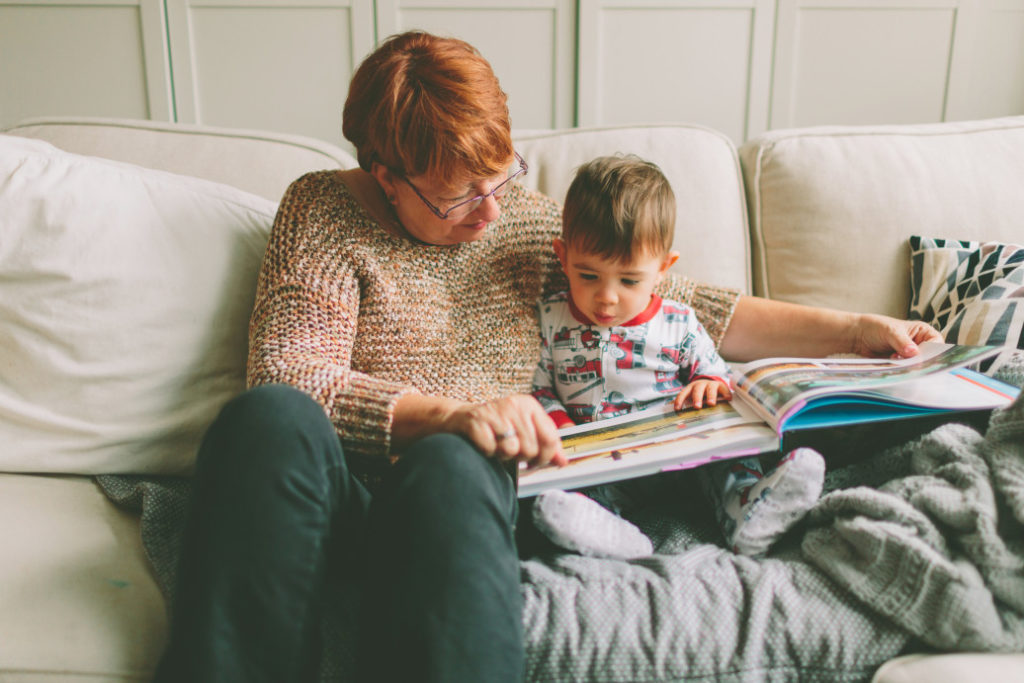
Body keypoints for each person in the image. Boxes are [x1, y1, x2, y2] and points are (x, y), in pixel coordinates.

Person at [152, 29, 942, 683]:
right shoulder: (321, 210)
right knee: (265, 417)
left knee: (456, 463)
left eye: (501, 175)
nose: (490, 209)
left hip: (465, 501)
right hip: (345, 498)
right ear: (383, 176)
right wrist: (450, 413)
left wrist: (857, 330)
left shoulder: (527, 224)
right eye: (458, 193)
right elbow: (297, 376)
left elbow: (677, 305)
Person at [529, 155, 825, 559]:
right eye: (588, 275)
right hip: (604, 463)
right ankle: (614, 537)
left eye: (630, 280)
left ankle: (749, 513)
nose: (607, 296)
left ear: (664, 269)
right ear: (562, 257)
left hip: (688, 458)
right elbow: (538, 388)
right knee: (565, 490)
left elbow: (716, 371)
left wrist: (708, 384)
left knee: (733, 460)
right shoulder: (550, 320)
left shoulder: (678, 322)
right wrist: (559, 424)